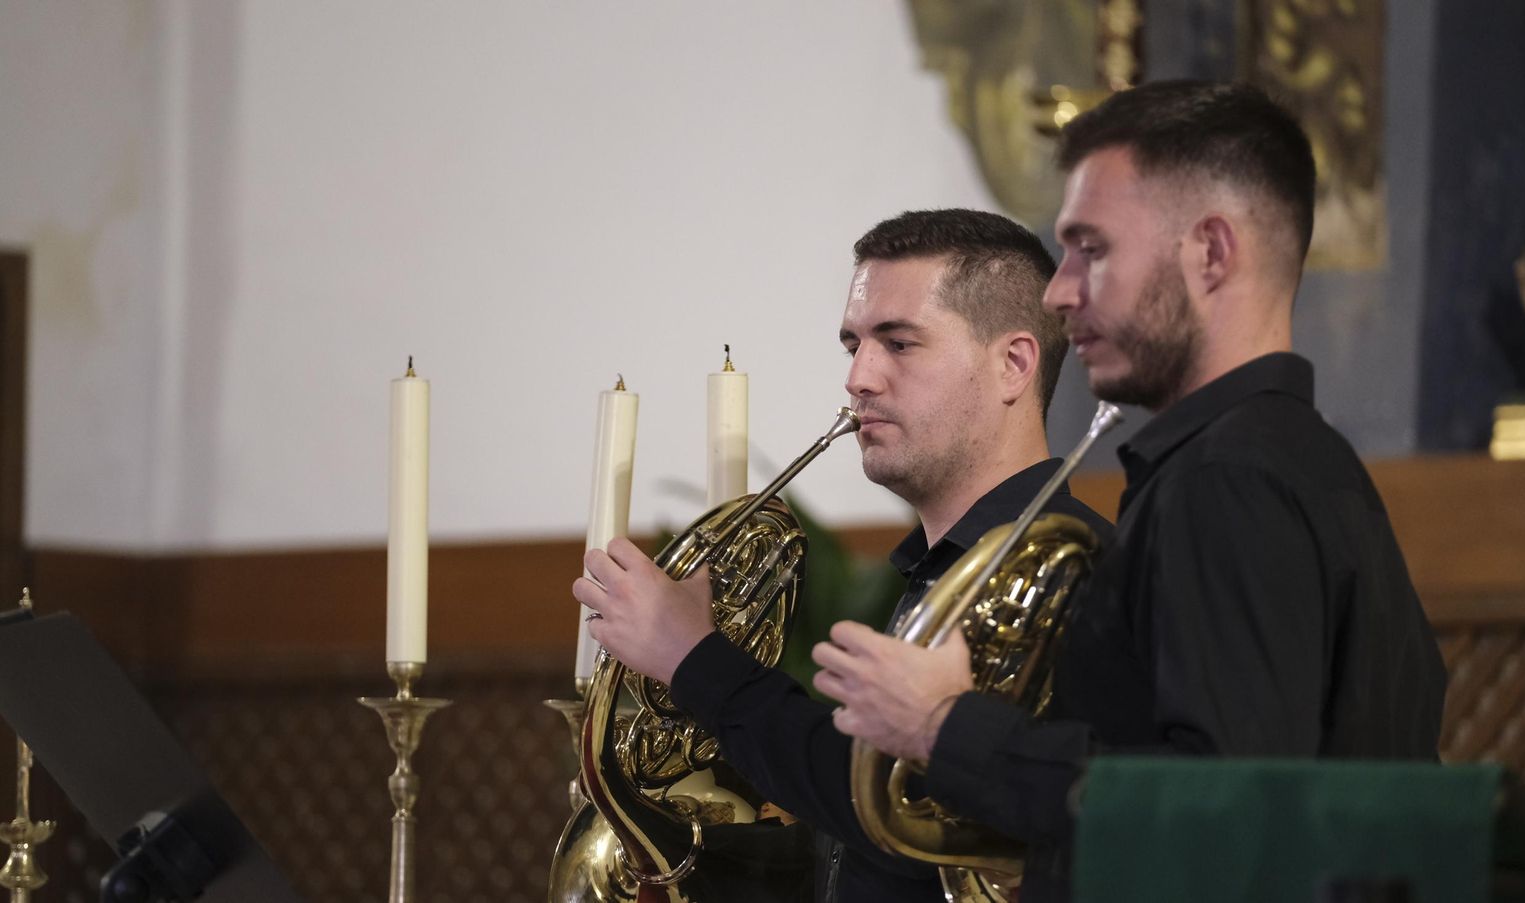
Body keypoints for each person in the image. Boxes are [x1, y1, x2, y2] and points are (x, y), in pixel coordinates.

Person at [816, 80, 1448, 898]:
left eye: (1093, 248)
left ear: (1212, 253)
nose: (1059, 289)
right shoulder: (1305, 462)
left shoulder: (1227, 483)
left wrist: (946, 726)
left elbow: (1220, 819)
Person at [573, 208, 1113, 902]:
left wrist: (691, 656)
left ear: (1013, 364)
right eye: (852, 344)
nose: (858, 377)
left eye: (899, 343)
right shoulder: (937, 565)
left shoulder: (1062, 570)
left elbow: (893, 800)